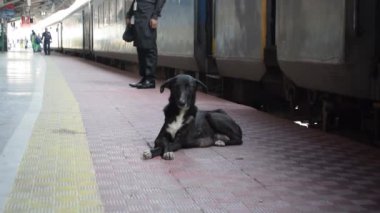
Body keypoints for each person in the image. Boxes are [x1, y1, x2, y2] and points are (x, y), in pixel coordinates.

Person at [127, 0, 166, 89]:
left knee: (149, 48)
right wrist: (129, 14)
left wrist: (155, 16)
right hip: (139, 18)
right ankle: (144, 78)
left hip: (148, 17)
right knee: (141, 48)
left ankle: (150, 79)